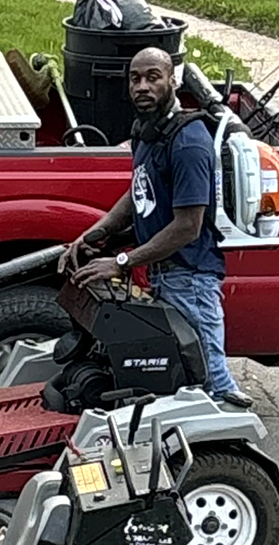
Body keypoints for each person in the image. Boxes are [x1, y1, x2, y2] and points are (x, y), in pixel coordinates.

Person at [59, 44, 244, 404]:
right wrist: (95, 233)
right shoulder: (148, 133)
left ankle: (229, 459)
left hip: (190, 281)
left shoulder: (189, 141)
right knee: (182, 385)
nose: (142, 86)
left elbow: (188, 226)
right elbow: (138, 192)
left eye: (153, 77)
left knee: (211, 384)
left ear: (172, 80)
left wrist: (121, 262)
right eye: (135, 78)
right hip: (164, 277)